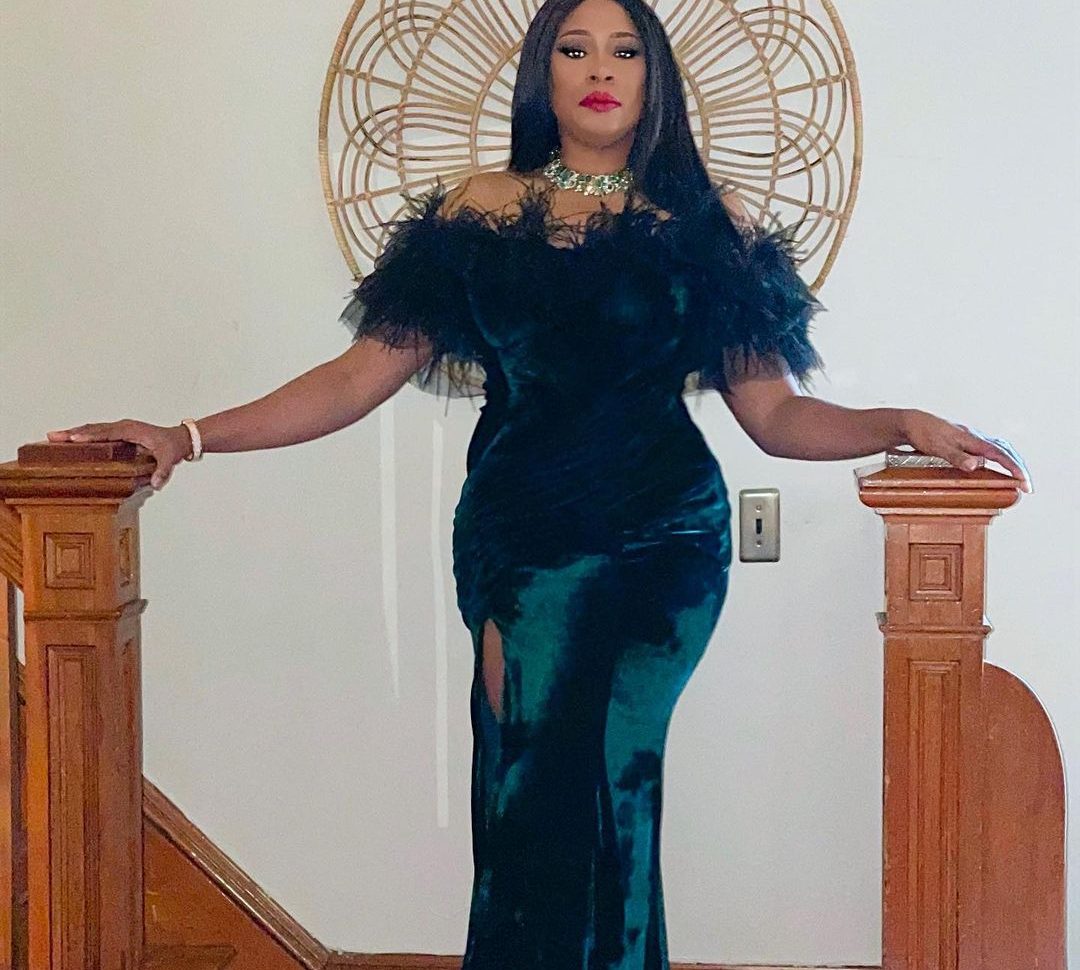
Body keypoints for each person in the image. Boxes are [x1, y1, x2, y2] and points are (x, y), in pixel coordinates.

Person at [46, 0, 1032, 965]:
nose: (600, 70)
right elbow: (355, 378)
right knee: (532, 793)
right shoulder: (481, 211)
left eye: (625, 51)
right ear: (543, 74)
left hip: (667, 542)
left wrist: (899, 423)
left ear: (654, 76)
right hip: (523, 538)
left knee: (620, 786)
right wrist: (187, 435)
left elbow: (775, 416)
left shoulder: (705, 223)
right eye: (575, 49)